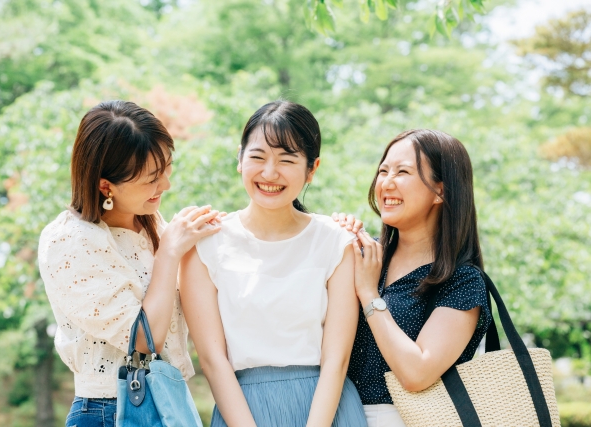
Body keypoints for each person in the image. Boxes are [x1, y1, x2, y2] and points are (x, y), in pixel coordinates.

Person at [179, 101, 368, 427]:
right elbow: (212, 360)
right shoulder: (205, 244)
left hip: (325, 409)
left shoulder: (336, 242)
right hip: (243, 410)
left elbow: (336, 360)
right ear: (239, 159)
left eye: (287, 159)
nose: (269, 172)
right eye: (257, 156)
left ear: (312, 168)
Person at [38, 100, 221, 427]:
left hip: (170, 403)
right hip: (111, 410)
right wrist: (168, 253)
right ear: (106, 186)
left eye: (167, 168)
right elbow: (143, 339)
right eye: (152, 178)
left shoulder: (153, 225)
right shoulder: (70, 241)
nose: (166, 185)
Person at [346, 129, 493, 426]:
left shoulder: (461, 281)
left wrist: (369, 295)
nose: (386, 182)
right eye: (383, 170)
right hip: (339, 415)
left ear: (441, 191)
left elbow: (417, 373)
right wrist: (330, 234)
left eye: (402, 172)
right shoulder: (364, 256)